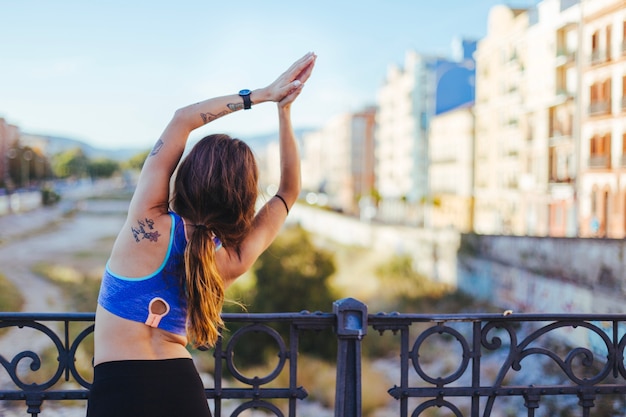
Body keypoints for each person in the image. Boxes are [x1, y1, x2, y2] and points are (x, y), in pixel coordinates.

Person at [86, 52, 317, 417]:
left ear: (187, 174)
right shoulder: (230, 258)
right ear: (241, 198)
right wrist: (284, 113)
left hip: (120, 388)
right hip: (182, 388)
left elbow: (182, 119)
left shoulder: (148, 222)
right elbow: (288, 192)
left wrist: (262, 95)